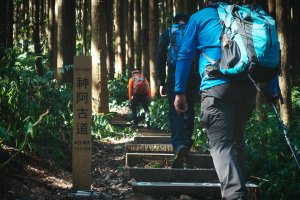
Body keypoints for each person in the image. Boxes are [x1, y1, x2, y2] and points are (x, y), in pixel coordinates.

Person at [173, 0, 279, 199]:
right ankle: (239, 192)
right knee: (236, 140)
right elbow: (266, 52)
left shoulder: (200, 17)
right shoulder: (244, 15)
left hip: (216, 87)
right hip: (247, 87)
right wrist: (272, 92)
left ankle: (234, 195)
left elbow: (185, 55)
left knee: (221, 145)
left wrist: (180, 91)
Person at [156, 13, 200, 168]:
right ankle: (186, 144)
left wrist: (161, 81)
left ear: (174, 21)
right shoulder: (194, 30)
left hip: (174, 75)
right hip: (194, 75)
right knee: (189, 109)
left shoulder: (168, 32)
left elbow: (160, 56)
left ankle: (178, 146)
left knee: (176, 111)